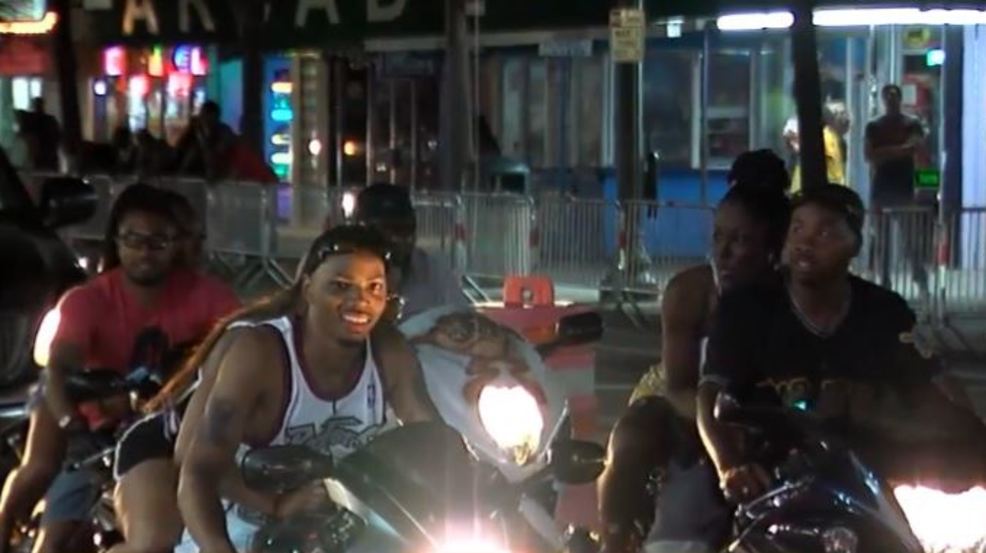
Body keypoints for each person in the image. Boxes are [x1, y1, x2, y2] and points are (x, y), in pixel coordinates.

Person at [696, 184, 985, 507]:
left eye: (824, 232)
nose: (806, 242)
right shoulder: (746, 309)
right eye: (798, 228)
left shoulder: (885, 310)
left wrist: (968, 439)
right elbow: (710, 396)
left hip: (874, 475)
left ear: (855, 244)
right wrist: (729, 466)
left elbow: (937, 385)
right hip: (775, 479)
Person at [0, 184, 240, 553]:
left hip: (163, 422)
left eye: (157, 242)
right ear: (116, 241)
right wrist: (73, 424)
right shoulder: (87, 299)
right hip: (83, 414)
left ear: (176, 244)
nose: (144, 251)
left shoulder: (210, 296)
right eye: (133, 240)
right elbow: (59, 370)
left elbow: (243, 344)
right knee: (44, 481)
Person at [173, 225, 437, 553]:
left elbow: (432, 437)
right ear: (308, 289)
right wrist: (267, 509)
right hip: (244, 526)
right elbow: (198, 471)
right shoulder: (260, 352)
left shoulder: (390, 351)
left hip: (347, 528)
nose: (360, 301)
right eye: (341, 286)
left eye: (375, 288)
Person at [598, 157, 791, 553]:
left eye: (740, 241)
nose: (723, 252)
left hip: (762, 407)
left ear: (774, 249)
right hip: (683, 401)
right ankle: (615, 538)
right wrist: (722, 427)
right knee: (633, 433)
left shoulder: (793, 294)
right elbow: (679, 387)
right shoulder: (689, 291)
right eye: (718, 237)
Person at [353, 183, 469, 318]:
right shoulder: (343, 273)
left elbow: (464, 317)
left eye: (403, 229)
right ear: (359, 231)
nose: (395, 239)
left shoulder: (432, 270)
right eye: (383, 230)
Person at [864, 84, 929, 294]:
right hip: (883, 189)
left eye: (894, 96)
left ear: (899, 99)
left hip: (903, 189)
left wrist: (884, 152)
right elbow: (870, 155)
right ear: (884, 100)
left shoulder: (911, 124)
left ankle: (921, 282)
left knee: (911, 242)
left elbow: (915, 149)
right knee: (883, 242)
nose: (891, 100)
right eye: (888, 97)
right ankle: (885, 282)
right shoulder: (874, 126)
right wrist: (901, 150)